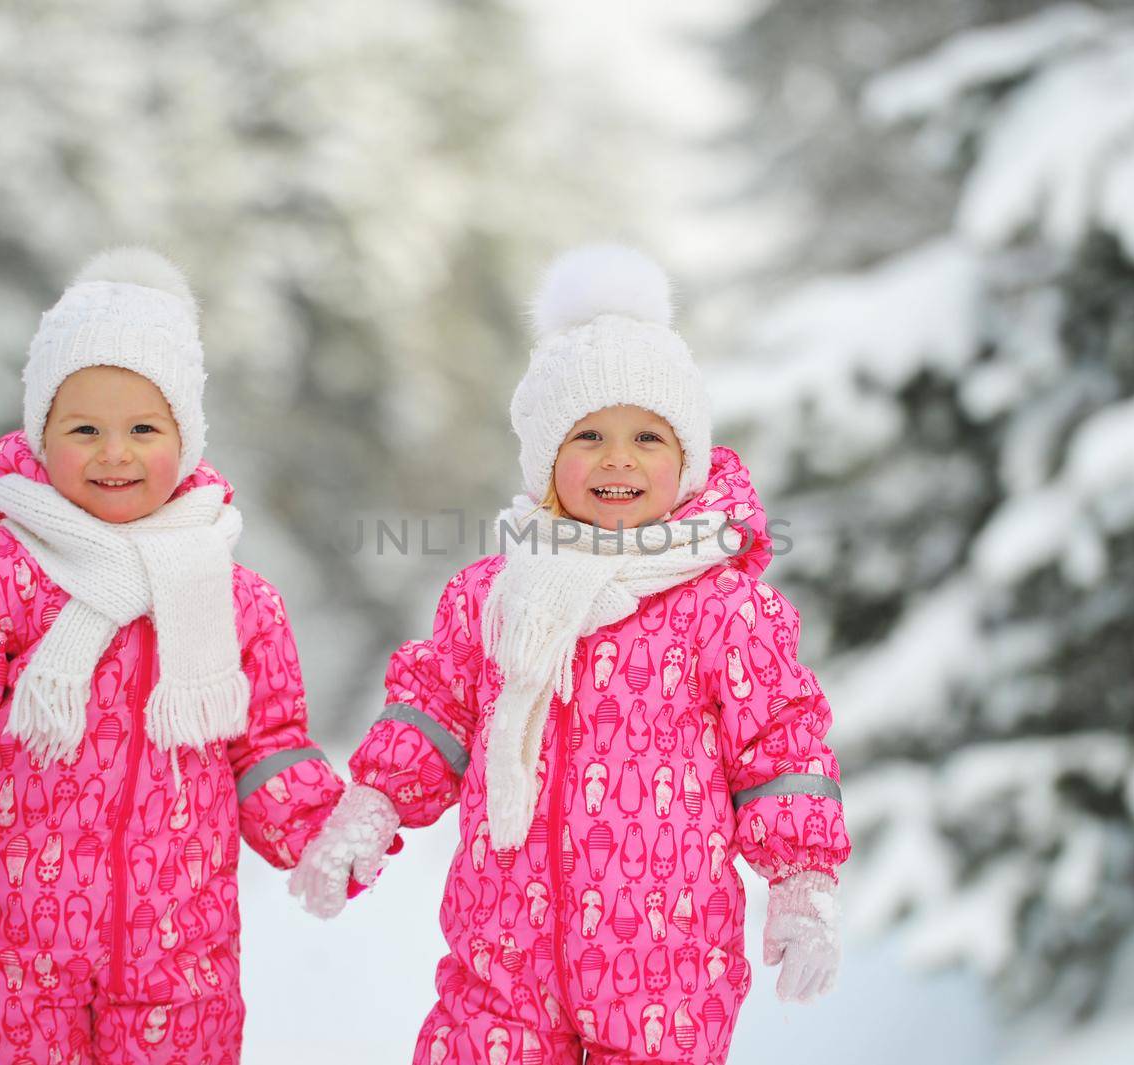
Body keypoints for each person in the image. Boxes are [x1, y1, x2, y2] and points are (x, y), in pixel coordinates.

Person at [291, 245, 851, 1063]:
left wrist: (802, 879)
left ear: (687, 462)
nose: (618, 457)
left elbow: (781, 749)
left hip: (667, 968)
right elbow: (434, 712)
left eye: (647, 437)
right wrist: (372, 806)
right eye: (588, 434)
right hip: (499, 958)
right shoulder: (494, 594)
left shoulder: (724, 608)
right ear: (548, 462)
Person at [0, 248, 343, 1062]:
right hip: (3, 943)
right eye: (84, 428)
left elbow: (266, 746)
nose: (114, 452)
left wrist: (326, 831)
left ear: (184, 441)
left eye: (143, 428)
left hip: (178, 946)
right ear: (41, 435)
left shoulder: (233, 596)